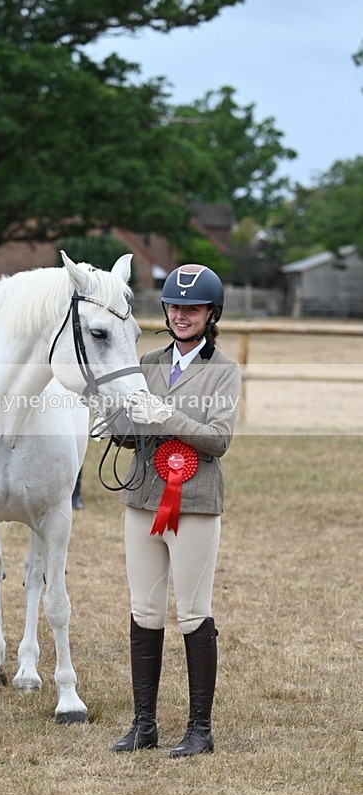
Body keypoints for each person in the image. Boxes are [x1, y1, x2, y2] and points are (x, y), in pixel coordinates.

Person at [112, 263, 241, 758]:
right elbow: (128, 431)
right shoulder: (145, 362)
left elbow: (219, 439)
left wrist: (165, 413)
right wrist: (117, 421)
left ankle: (199, 729)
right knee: (144, 610)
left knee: (192, 612)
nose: (181, 314)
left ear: (211, 314)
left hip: (196, 504)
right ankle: (144, 724)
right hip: (143, 498)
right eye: (174, 306)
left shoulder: (223, 370)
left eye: (192, 307)